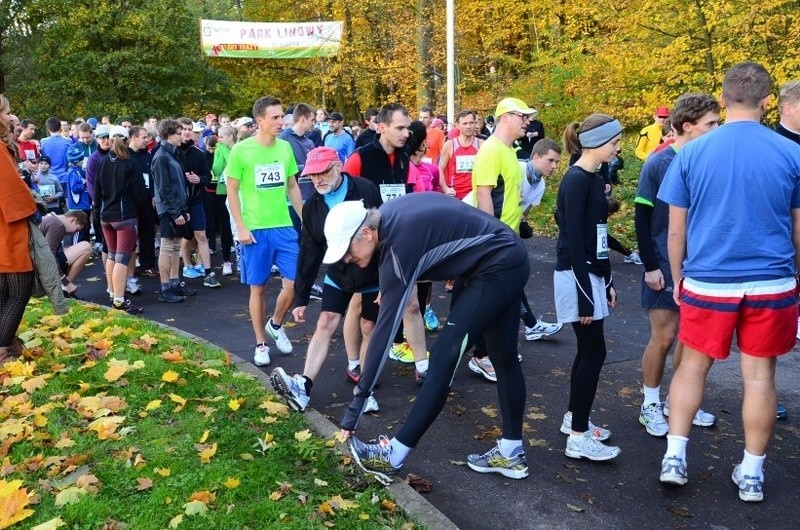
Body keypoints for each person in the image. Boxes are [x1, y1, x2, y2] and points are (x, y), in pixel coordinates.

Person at [657, 62, 800, 502]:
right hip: (772, 281)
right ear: (767, 100)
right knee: (759, 377)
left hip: (708, 280)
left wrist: (678, 277)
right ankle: (752, 474)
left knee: (692, 366)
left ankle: (675, 456)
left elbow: (675, 230)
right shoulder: (791, 153)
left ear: (722, 99)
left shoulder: (693, 152)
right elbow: (798, 230)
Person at [331, 196, 531, 484]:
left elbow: (383, 336)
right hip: (494, 258)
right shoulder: (386, 221)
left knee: (444, 358)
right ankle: (512, 451)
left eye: (348, 251)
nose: (348, 259)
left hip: (498, 264)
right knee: (503, 357)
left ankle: (393, 457)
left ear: (366, 233)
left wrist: (353, 412)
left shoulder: (397, 244)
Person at [633, 93, 721, 438]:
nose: (717, 129)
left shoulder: (712, 160)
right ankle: (650, 404)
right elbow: (642, 217)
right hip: (663, 263)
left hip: (701, 265)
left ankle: (679, 401)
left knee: (692, 336)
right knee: (664, 336)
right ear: (688, 126)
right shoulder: (658, 162)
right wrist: (650, 265)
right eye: (711, 124)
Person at [270, 147, 383, 412]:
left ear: (338, 167)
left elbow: (384, 233)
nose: (318, 180)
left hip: (373, 271)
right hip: (339, 273)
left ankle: (364, 392)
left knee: (369, 327)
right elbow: (309, 250)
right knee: (324, 322)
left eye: (323, 172)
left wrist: (389, 281)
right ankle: (303, 387)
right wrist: (301, 297)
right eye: (312, 176)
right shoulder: (312, 206)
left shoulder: (366, 189)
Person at [554, 113, 623, 461]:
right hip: (575, 274)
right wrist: (585, 297)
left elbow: (597, 237)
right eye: (614, 142)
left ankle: (573, 420)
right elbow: (574, 242)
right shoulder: (576, 181)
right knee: (594, 352)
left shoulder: (596, 179)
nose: (618, 147)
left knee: (589, 352)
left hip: (591, 276)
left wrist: (607, 280)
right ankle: (578, 437)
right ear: (596, 143)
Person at [342, 103, 429, 376]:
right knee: (358, 303)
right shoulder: (359, 158)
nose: (406, 134)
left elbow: (413, 199)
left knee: (412, 303)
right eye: (400, 128)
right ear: (381, 127)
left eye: (407, 127)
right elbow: (345, 204)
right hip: (366, 243)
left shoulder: (406, 159)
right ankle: (354, 363)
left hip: (399, 241)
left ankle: (422, 365)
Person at [226, 96, 303, 366]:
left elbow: (292, 186)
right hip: (255, 230)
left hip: (283, 226)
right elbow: (232, 191)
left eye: (283, 116)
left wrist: (306, 219)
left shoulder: (284, 148)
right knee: (257, 288)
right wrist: (241, 227)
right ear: (260, 121)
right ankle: (260, 343)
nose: (282, 121)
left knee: (296, 284)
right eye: (276, 117)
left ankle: (276, 323)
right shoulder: (241, 151)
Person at [93, 125, 148, 314]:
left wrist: (97, 212)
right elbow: (140, 193)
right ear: (126, 141)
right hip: (124, 216)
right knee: (122, 259)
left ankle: (111, 291)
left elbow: (97, 191)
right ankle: (119, 299)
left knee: (111, 254)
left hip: (105, 216)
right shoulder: (131, 163)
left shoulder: (102, 162)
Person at [0, 95, 38, 362]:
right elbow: (12, 193)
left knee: (5, 290)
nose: (10, 117)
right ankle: (2, 350)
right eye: (7, 112)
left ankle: (6, 343)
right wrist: (34, 205)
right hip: (7, 227)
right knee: (19, 289)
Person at [774, 79, 800, 422]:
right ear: (790, 108)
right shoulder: (775, 145)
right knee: (775, 335)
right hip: (783, 253)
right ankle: (768, 393)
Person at [152, 118, 196, 304]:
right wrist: (175, 212)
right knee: (167, 246)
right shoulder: (162, 156)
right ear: (170, 134)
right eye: (179, 133)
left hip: (176, 207)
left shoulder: (171, 154)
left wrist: (183, 209)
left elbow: (177, 185)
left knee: (176, 246)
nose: (183, 136)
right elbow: (164, 188)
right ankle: (165, 287)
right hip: (168, 209)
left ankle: (174, 282)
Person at [38, 211, 91, 298]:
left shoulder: (51, 216)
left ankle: (63, 288)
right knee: (86, 247)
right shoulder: (57, 225)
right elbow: (50, 257)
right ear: (73, 220)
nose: (74, 233)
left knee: (71, 251)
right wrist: (66, 282)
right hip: (40, 264)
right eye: (77, 229)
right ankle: (64, 288)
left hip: (36, 259)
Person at [439, 110, 483, 199]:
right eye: (465, 123)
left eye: (471, 123)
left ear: (475, 124)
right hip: (455, 195)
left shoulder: (481, 144)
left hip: (474, 195)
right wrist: (445, 188)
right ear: (457, 126)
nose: (469, 126)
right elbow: (440, 169)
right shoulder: (450, 145)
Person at [211, 125, 236, 276]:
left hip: (240, 191)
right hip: (223, 191)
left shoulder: (240, 148)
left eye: (221, 137)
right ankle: (227, 261)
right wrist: (221, 151)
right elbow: (216, 169)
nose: (218, 140)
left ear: (230, 137)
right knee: (226, 227)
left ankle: (242, 259)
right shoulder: (220, 149)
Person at [64, 143, 92, 243]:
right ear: (76, 161)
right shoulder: (73, 172)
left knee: (85, 231)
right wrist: (85, 184)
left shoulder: (78, 171)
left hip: (83, 206)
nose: (83, 161)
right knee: (78, 231)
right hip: (77, 207)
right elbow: (75, 188)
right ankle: (76, 249)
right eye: (81, 159)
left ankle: (85, 250)